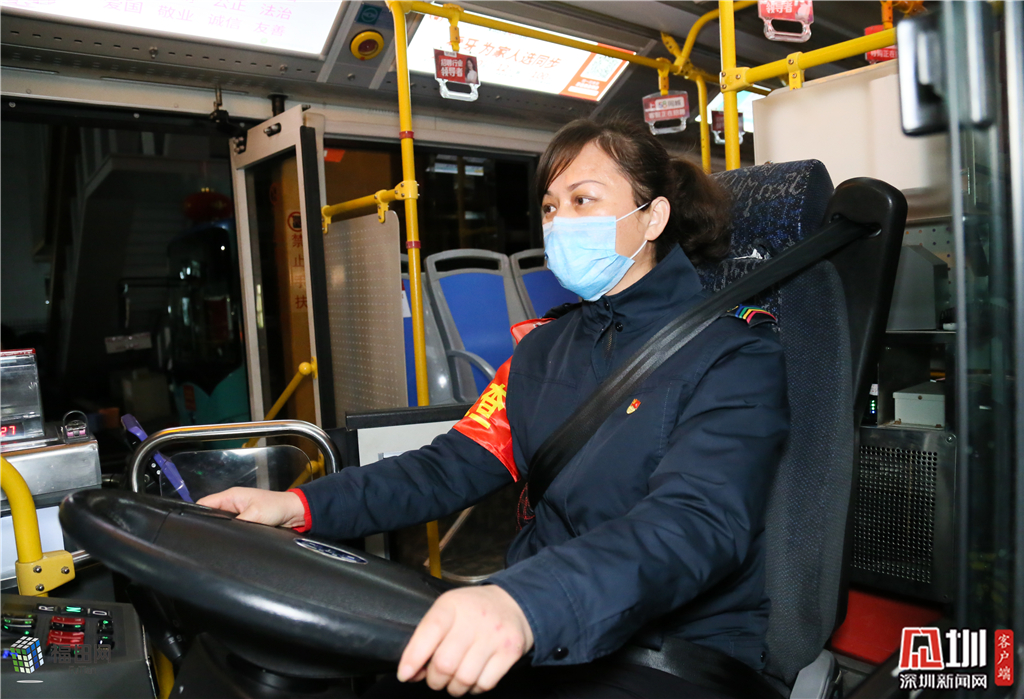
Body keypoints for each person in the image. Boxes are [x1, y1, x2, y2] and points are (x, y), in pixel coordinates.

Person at [198, 117, 788, 698]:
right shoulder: (541, 350)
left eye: (583, 200)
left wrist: (528, 601)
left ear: (652, 217)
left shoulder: (733, 354)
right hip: (538, 627)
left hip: (666, 651)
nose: (560, 223)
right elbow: (448, 466)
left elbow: (696, 523)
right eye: (550, 207)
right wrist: (299, 505)